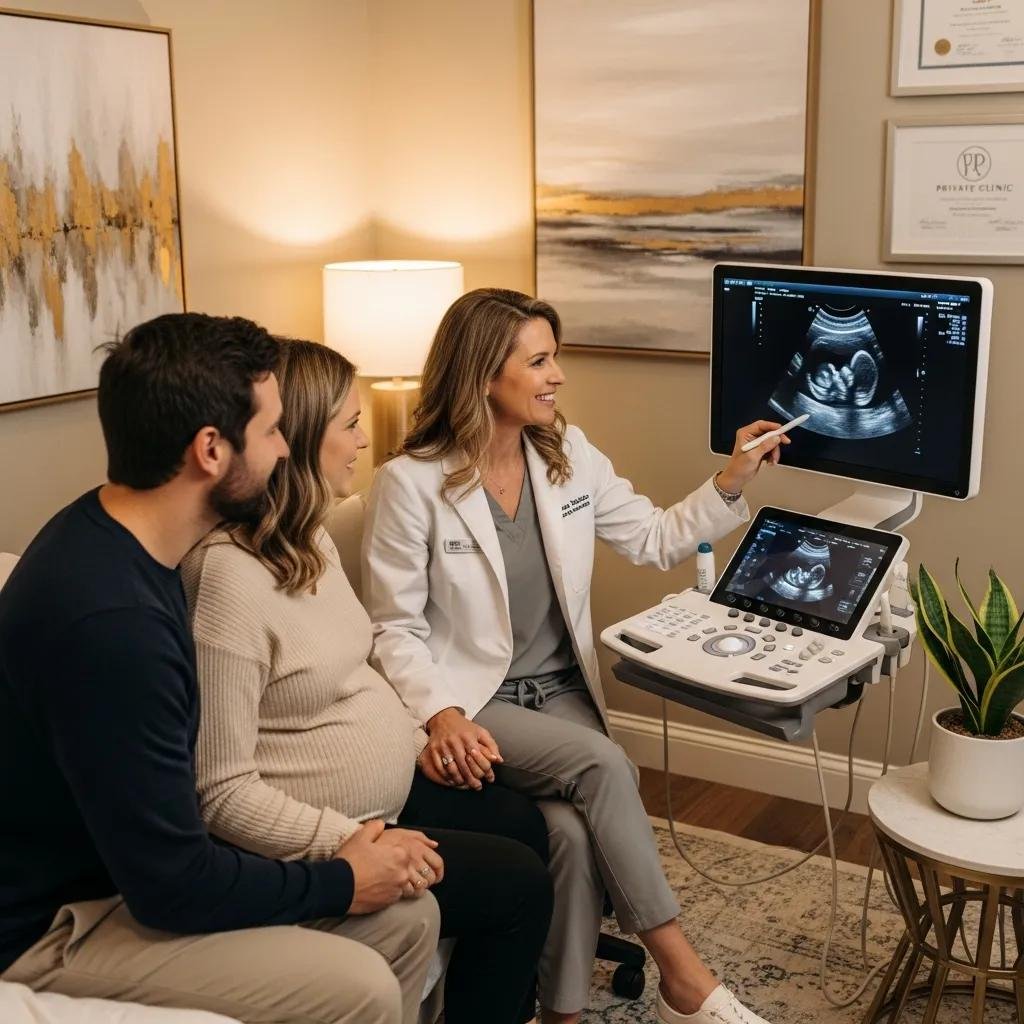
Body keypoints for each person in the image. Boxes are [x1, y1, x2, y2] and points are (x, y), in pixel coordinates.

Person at [362, 289, 789, 1024]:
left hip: (560, 692)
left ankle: (559, 1015)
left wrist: (732, 478)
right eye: (538, 361)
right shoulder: (412, 484)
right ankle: (681, 972)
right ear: (483, 375)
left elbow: (654, 538)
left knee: (568, 832)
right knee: (603, 766)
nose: (556, 375)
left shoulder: (569, 456)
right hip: (479, 699)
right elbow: (391, 628)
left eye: (553, 356)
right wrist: (441, 715)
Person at [0, 314, 440, 1024]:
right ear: (211, 449)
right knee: (360, 986)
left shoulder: (119, 539)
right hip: (55, 922)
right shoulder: (112, 626)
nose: (283, 449)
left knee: (409, 918)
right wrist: (341, 879)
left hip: (122, 876)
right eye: (271, 431)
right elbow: (171, 885)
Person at [180, 338, 553, 1024]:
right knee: (518, 885)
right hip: (326, 830)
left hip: (389, 789)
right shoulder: (228, 582)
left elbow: (357, 666)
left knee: (520, 819)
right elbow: (220, 792)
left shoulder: (308, 535)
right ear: (293, 439)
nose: (364, 440)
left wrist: (420, 736)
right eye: (349, 425)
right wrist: (351, 845)